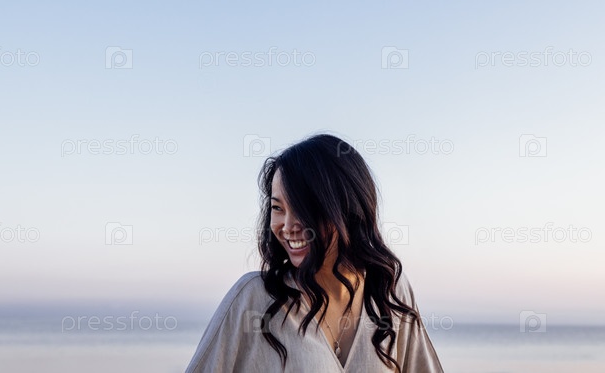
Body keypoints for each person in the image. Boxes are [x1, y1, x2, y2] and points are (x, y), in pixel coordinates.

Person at [185, 134, 445, 372]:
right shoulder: (253, 297)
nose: (287, 226)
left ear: (346, 208)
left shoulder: (390, 290)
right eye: (278, 208)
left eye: (302, 207)